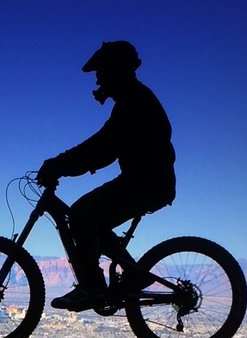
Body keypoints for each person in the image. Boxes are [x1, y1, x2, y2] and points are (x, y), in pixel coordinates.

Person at [36, 41, 176, 312]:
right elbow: (102, 148)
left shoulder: (134, 103)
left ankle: (91, 287)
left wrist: (58, 164)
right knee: (92, 217)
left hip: (146, 183)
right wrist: (62, 164)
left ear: (116, 70)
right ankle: (134, 272)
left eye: (101, 71)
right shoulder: (133, 99)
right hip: (146, 181)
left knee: (80, 213)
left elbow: (101, 148)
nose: (98, 78)